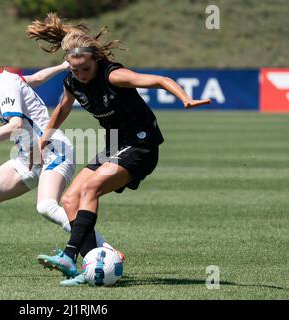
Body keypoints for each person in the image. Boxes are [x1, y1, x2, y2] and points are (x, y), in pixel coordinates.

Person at [26, 13, 211, 286]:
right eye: (74, 70)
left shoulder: (114, 75)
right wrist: (44, 138)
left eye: (85, 69)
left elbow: (159, 80)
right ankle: (88, 266)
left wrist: (185, 98)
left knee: (91, 189)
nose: (81, 75)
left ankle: (69, 255)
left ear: (96, 61)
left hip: (141, 145)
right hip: (115, 145)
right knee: (68, 201)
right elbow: (63, 108)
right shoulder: (73, 81)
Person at [0, 50, 116, 278]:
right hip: (28, 157)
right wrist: (62, 66)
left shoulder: (4, 86)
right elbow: (36, 79)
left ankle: (104, 249)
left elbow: (15, 124)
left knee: (46, 206)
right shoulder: (8, 81)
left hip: (53, 151)